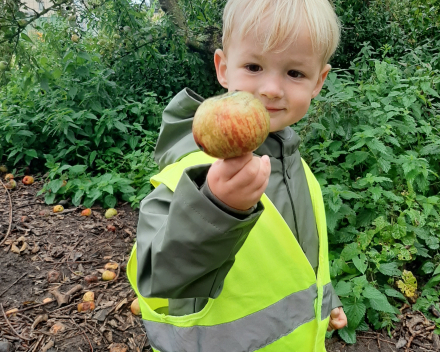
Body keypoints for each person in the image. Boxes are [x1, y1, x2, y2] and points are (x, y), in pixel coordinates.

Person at [127, 0, 348, 350]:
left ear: (318, 81)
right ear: (223, 68)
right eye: (254, 66)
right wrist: (215, 208)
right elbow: (156, 276)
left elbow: (300, 259)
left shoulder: (298, 169)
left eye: (294, 73)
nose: (272, 89)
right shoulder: (194, 174)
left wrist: (326, 300)